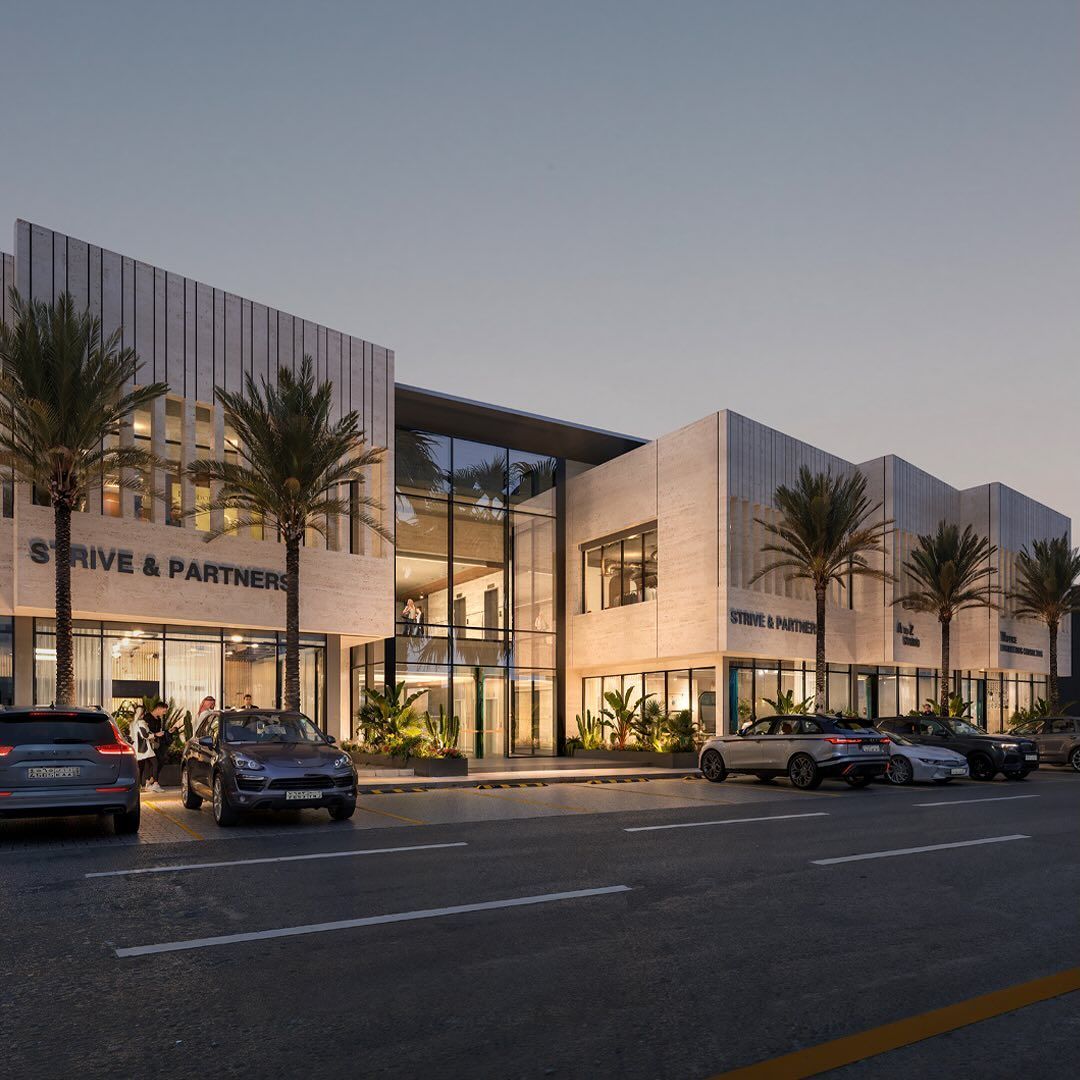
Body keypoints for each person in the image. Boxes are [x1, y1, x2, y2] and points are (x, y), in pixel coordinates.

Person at [129, 705, 161, 792]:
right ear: (142, 714)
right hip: (145, 748)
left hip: (137, 748)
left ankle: (138, 786)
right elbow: (145, 735)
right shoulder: (141, 723)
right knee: (155, 763)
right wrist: (155, 735)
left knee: (140, 767)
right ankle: (155, 784)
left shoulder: (133, 723)